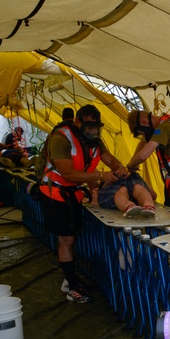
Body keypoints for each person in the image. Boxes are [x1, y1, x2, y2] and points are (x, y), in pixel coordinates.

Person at [36, 104, 129, 304]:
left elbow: (109, 159)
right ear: (78, 123)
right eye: (89, 127)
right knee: (66, 240)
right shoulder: (61, 139)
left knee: (73, 236)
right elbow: (68, 173)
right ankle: (71, 285)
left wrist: (119, 167)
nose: (93, 132)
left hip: (73, 194)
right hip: (56, 193)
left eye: (96, 127)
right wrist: (100, 175)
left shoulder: (95, 140)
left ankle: (71, 278)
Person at [125, 110, 170, 217]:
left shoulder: (163, 128)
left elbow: (143, 155)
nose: (144, 136)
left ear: (144, 122)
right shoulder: (165, 124)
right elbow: (144, 142)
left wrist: (131, 166)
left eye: (141, 133)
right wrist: (132, 162)